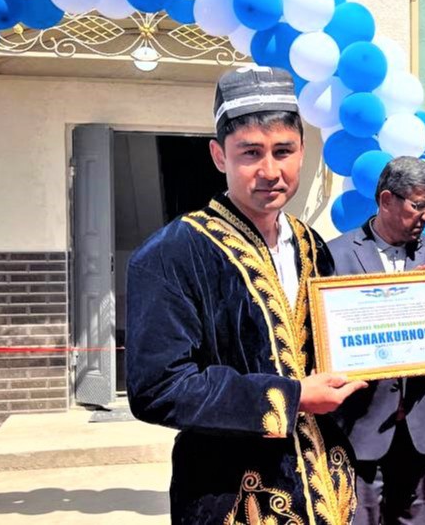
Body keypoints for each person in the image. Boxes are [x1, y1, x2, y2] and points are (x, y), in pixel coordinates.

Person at [126, 67, 366, 525]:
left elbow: (337, 350)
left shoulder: (311, 245)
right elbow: (158, 388)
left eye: (284, 151)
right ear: (219, 155)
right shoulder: (173, 253)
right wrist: (290, 398)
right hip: (232, 497)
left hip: (327, 491)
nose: (270, 171)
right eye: (250, 153)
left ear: (303, 150)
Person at [327, 156, 425, 525]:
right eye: (419, 205)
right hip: (359, 428)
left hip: (422, 428)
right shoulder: (335, 255)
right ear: (386, 200)